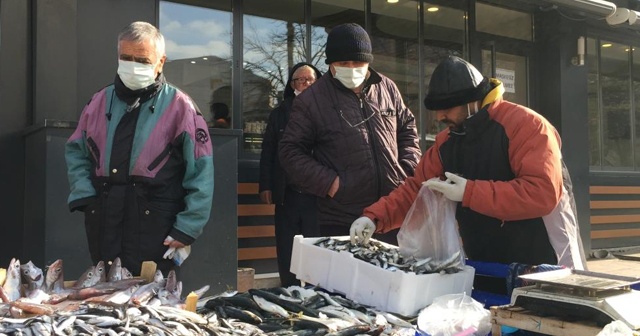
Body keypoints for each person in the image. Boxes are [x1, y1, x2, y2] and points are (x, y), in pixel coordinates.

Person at [350, 55, 586, 270]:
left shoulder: (528, 126)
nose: (439, 117)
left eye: (447, 108)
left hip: (544, 262)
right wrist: (374, 217)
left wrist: (469, 192)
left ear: (472, 102)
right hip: (483, 260)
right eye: (436, 110)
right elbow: (418, 188)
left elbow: (542, 193)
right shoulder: (447, 142)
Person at [65, 21, 214, 275]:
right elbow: (76, 150)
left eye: (143, 60)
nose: (133, 65)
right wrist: (85, 196)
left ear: (161, 62)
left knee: (152, 303)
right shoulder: (99, 101)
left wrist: (188, 226)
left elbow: (201, 172)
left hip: (156, 224)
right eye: (126, 57)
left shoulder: (181, 107)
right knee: (107, 300)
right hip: (105, 220)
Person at [279, 23, 421, 243]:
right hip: (341, 217)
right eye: (343, 63)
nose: (352, 68)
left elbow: (408, 131)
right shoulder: (311, 99)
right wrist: (331, 184)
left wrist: (406, 170)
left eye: (358, 62)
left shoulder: (387, 88)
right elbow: (290, 151)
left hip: (392, 212)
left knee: (391, 275)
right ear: (331, 64)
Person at [259, 62, 323, 287]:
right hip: (288, 192)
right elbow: (268, 150)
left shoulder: (327, 110)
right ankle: (289, 289)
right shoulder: (280, 113)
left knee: (317, 246)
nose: (304, 84)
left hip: (319, 195)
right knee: (287, 246)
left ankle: (318, 291)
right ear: (292, 84)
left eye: (309, 80)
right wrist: (265, 185)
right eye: (299, 80)